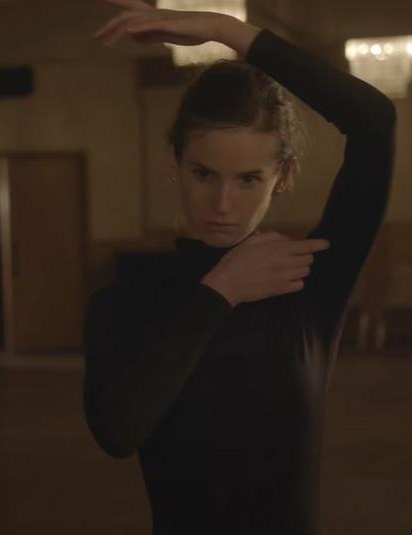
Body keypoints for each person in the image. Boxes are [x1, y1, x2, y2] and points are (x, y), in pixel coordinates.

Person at [84, 1, 397, 534]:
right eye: (203, 174)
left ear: (283, 178)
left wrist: (227, 31)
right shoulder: (128, 297)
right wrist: (220, 290)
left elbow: (374, 121)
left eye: (249, 179)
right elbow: (118, 432)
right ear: (175, 164)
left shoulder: (305, 278)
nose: (222, 204)